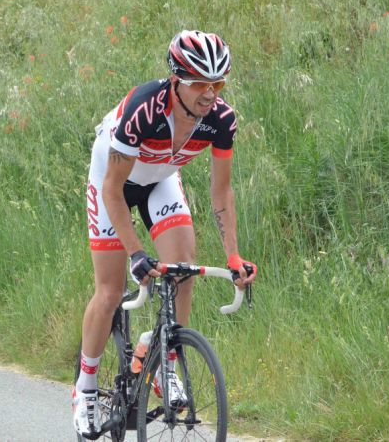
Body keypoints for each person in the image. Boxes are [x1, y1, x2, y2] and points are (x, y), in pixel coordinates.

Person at [72, 29, 258, 439]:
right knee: (110, 290)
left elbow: (222, 192)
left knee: (183, 269)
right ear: (176, 80)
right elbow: (113, 190)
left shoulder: (221, 121)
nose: (210, 94)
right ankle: (85, 389)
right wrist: (136, 253)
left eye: (218, 84)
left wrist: (233, 256)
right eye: (200, 84)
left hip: (159, 181)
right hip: (112, 182)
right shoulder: (145, 109)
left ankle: (164, 364)